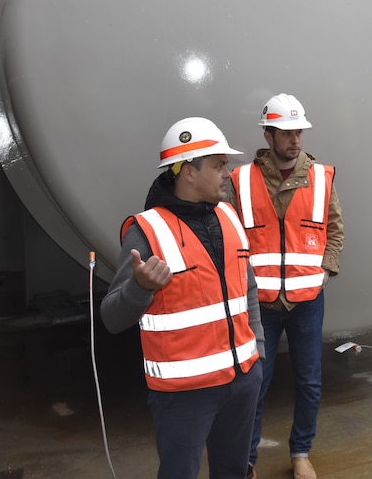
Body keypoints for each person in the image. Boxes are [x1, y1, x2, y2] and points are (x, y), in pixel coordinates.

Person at [101, 117, 265, 479]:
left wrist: (258, 355)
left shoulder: (229, 216)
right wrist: (140, 287)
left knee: (233, 471)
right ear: (188, 172)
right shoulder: (147, 231)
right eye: (219, 165)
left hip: (242, 381)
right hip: (184, 394)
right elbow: (112, 318)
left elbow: (248, 289)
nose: (228, 173)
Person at [231, 94, 344, 479]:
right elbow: (228, 235)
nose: (295, 140)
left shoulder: (321, 177)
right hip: (260, 302)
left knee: (309, 380)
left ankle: (300, 454)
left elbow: (335, 231)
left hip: (307, 301)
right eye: (286, 133)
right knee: (253, 385)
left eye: (299, 132)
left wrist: (324, 271)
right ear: (268, 135)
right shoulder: (241, 181)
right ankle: (246, 460)